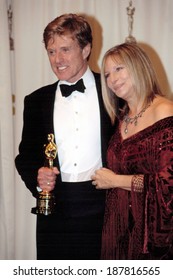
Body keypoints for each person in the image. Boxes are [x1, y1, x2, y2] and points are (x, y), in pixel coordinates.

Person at [15, 13, 113, 260]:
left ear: (86, 48)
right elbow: (25, 157)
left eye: (65, 49)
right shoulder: (36, 101)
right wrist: (39, 181)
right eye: (51, 51)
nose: (57, 59)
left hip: (107, 206)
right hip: (55, 209)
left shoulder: (114, 93)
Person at [91, 42, 173, 260]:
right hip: (118, 231)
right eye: (107, 74)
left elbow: (168, 183)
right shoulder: (121, 118)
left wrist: (115, 181)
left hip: (152, 237)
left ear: (138, 65)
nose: (112, 79)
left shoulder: (164, 111)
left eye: (119, 69)